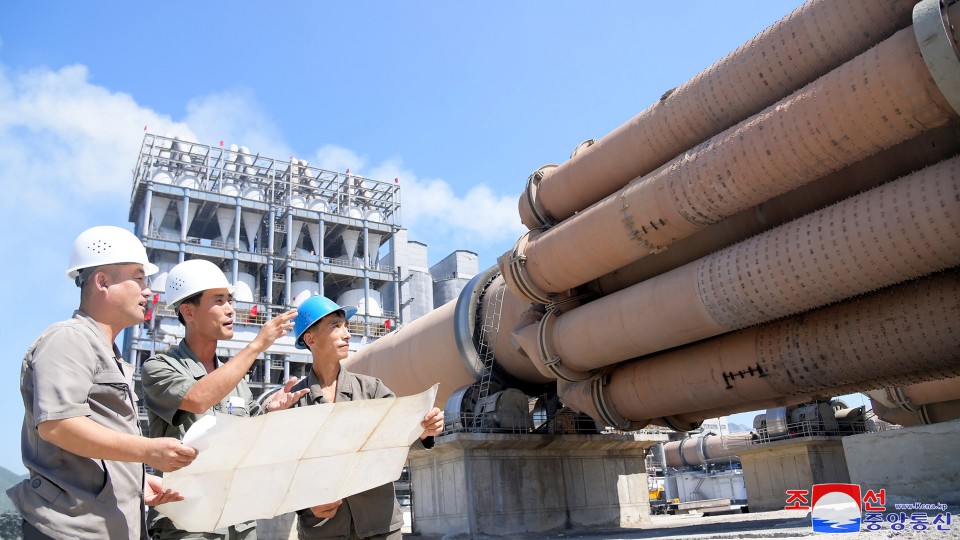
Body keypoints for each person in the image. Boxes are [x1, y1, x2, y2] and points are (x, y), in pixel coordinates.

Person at [8, 225, 199, 540]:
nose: (148, 291)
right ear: (102, 282)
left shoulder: (110, 354)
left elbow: (97, 446)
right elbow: (58, 425)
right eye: (139, 278)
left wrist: (137, 483)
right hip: (69, 530)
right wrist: (148, 451)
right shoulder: (67, 339)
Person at [141, 258, 308, 540]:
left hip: (238, 519)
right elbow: (197, 398)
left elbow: (253, 439)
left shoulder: (236, 381)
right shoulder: (160, 367)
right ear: (188, 311)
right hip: (187, 521)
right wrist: (256, 346)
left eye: (230, 300)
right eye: (219, 301)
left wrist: (272, 412)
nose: (230, 308)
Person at [289, 295, 445, 540]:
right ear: (310, 339)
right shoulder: (294, 402)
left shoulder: (372, 390)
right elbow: (282, 470)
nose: (347, 334)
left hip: (379, 526)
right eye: (336, 326)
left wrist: (424, 432)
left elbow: (398, 443)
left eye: (346, 326)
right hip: (324, 530)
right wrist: (306, 505)